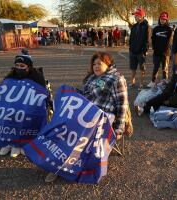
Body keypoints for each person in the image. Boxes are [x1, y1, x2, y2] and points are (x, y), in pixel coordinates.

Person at [45, 52, 129, 182]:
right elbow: (85, 94)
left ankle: (61, 167)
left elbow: (122, 103)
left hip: (102, 117)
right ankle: (58, 162)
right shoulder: (91, 77)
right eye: (94, 64)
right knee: (63, 123)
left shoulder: (116, 78)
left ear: (107, 64)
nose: (96, 66)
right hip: (85, 112)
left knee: (74, 128)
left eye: (99, 63)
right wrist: (72, 91)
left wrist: (119, 128)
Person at [0, 52, 46, 157]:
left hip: (30, 106)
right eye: (17, 65)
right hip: (13, 105)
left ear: (28, 67)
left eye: (22, 66)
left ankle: (22, 144)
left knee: (24, 116)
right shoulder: (10, 77)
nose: (19, 68)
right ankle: (9, 142)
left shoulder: (37, 78)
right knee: (6, 114)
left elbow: (43, 95)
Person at [147, 12, 173, 87]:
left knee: (165, 69)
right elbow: (153, 39)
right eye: (161, 19)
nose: (162, 20)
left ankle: (165, 81)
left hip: (165, 53)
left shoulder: (169, 29)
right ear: (159, 19)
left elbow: (169, 41)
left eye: (164, 19)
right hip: (156, 53)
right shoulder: (156, 29)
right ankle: (153, 81)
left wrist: (165, 51)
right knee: (155, 68)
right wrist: (154, 48)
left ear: (166, 20)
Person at [129, 7, 149, 89]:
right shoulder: (134, 26)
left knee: (142, 69)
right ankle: (132, 83)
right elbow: (131, 38)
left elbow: (147, 39)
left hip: (141, 52)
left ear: (141, 16)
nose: (135, 17)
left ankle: (141, 84)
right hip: (133, 51)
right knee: (133, 68)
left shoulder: (146, 26)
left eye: (136, 15)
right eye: (135, 15)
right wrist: (130, 47)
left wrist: (144, 50)